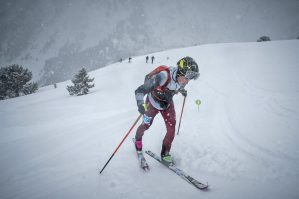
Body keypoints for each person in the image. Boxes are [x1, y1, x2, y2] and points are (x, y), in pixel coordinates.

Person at [134, 56, 199, 164]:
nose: (187, 81)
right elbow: (140, 91)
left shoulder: (180, 80)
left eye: (190, 79)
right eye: (187, 78)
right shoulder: (164, 76)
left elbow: (176, 86)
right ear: (180, 72)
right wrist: (140, 104)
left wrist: (182, 91)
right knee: (146, 125)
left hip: (167, 105)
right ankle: (138, 140)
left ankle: (165, 154)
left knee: (171, 128)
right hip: (152, 103)